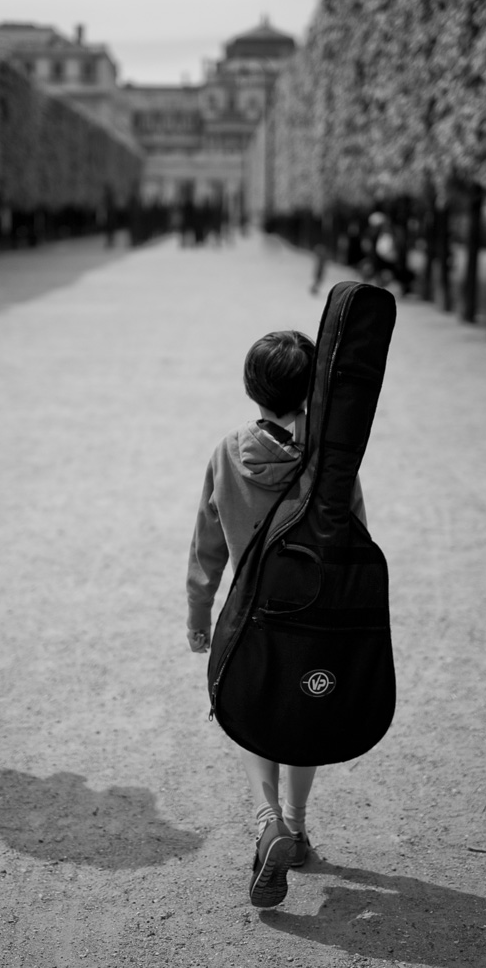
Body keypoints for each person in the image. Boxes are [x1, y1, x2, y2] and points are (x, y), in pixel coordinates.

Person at [186, 330, 366, 908]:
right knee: (303, 714)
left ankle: (268, 823)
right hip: (316, 615)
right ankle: (298, 824)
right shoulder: (331, 459)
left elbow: (206, 541)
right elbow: (355, 536)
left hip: (251, 616)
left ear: (250, 387)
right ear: (312, 390)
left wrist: (198, 612)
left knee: (254, 714)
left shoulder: (226, 452)